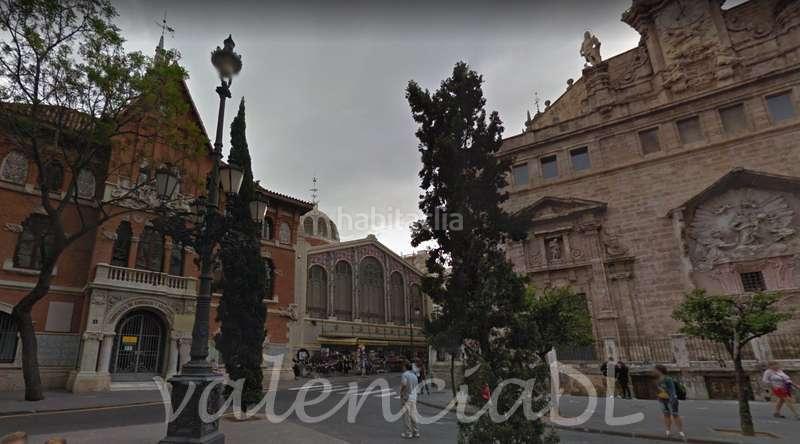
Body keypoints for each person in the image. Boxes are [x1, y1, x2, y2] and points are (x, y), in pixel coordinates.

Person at [654, 365, 686, 441]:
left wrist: (672, 399)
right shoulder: (657, 380)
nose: (654, 371)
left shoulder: (668, 379)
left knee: (675, 414)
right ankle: (668, 430)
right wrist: (658, 396)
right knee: (666, 415)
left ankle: (680, 431)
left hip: (670, 400)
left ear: (659, 371)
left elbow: (672, 390)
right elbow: (657, 390)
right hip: (662, 399)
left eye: (655, 370)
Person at [400, 360, 420, 439]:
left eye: (403, 366)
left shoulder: (405, 375)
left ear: (405, 367)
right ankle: (416, 432)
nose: (402, 367)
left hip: (406, 397)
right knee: (414, 415)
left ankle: (408, 433)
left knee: (407, 416)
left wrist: (401, 392)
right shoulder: (414, 375)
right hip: (414, 397)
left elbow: (404, 384)